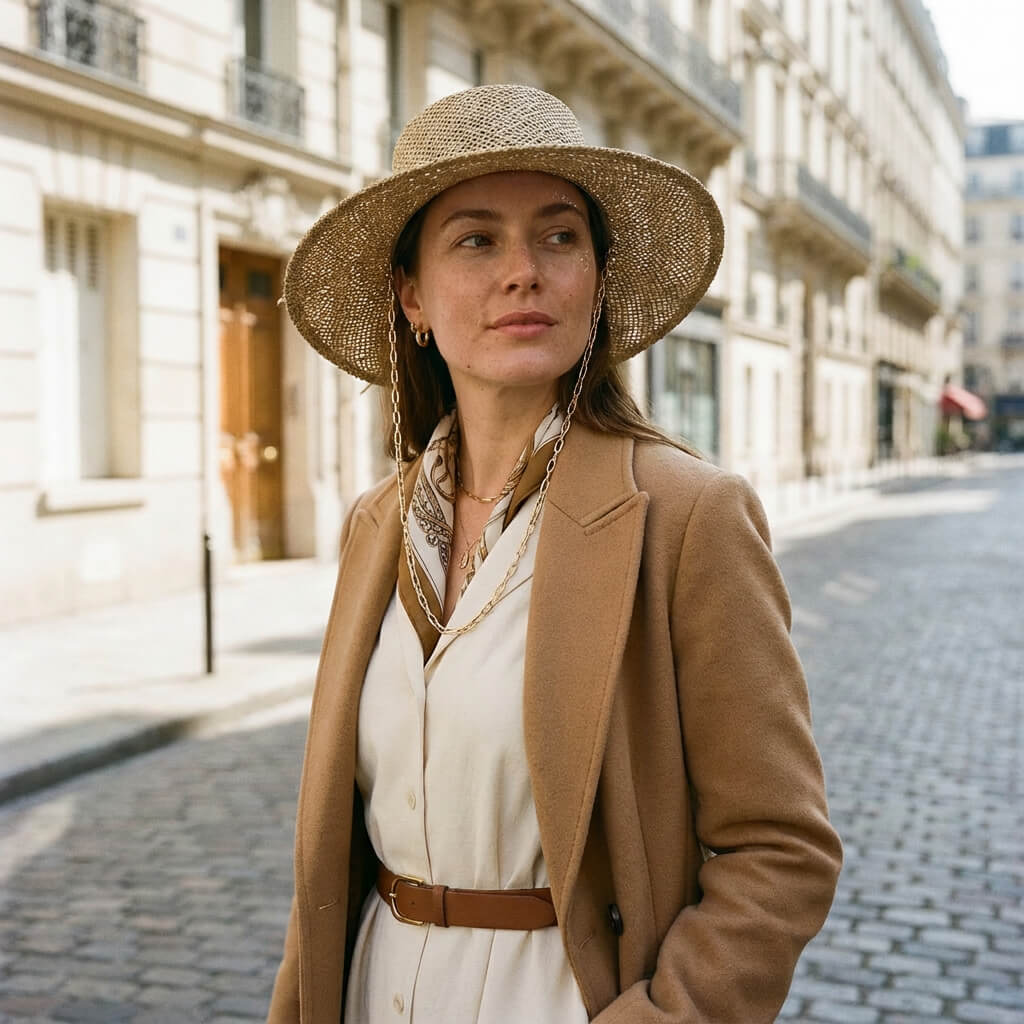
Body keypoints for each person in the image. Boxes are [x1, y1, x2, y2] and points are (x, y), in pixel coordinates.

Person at [267, 84, 842, 1024]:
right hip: (377, 989)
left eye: (560, 236)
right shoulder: (376, 526)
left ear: (599, 281)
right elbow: (333, 853)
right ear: (412, 294)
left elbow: (781, 849)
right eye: (476, 239)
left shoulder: (690, 517)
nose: (523, 272)